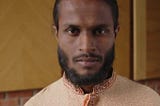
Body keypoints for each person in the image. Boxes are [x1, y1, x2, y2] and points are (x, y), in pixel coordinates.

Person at [25, 0, 160, 105]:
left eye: (100, 31)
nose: (86, 46)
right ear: (57, 34)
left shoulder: (150, 101)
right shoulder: (37, 104)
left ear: (115, 32)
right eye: (73, 31)